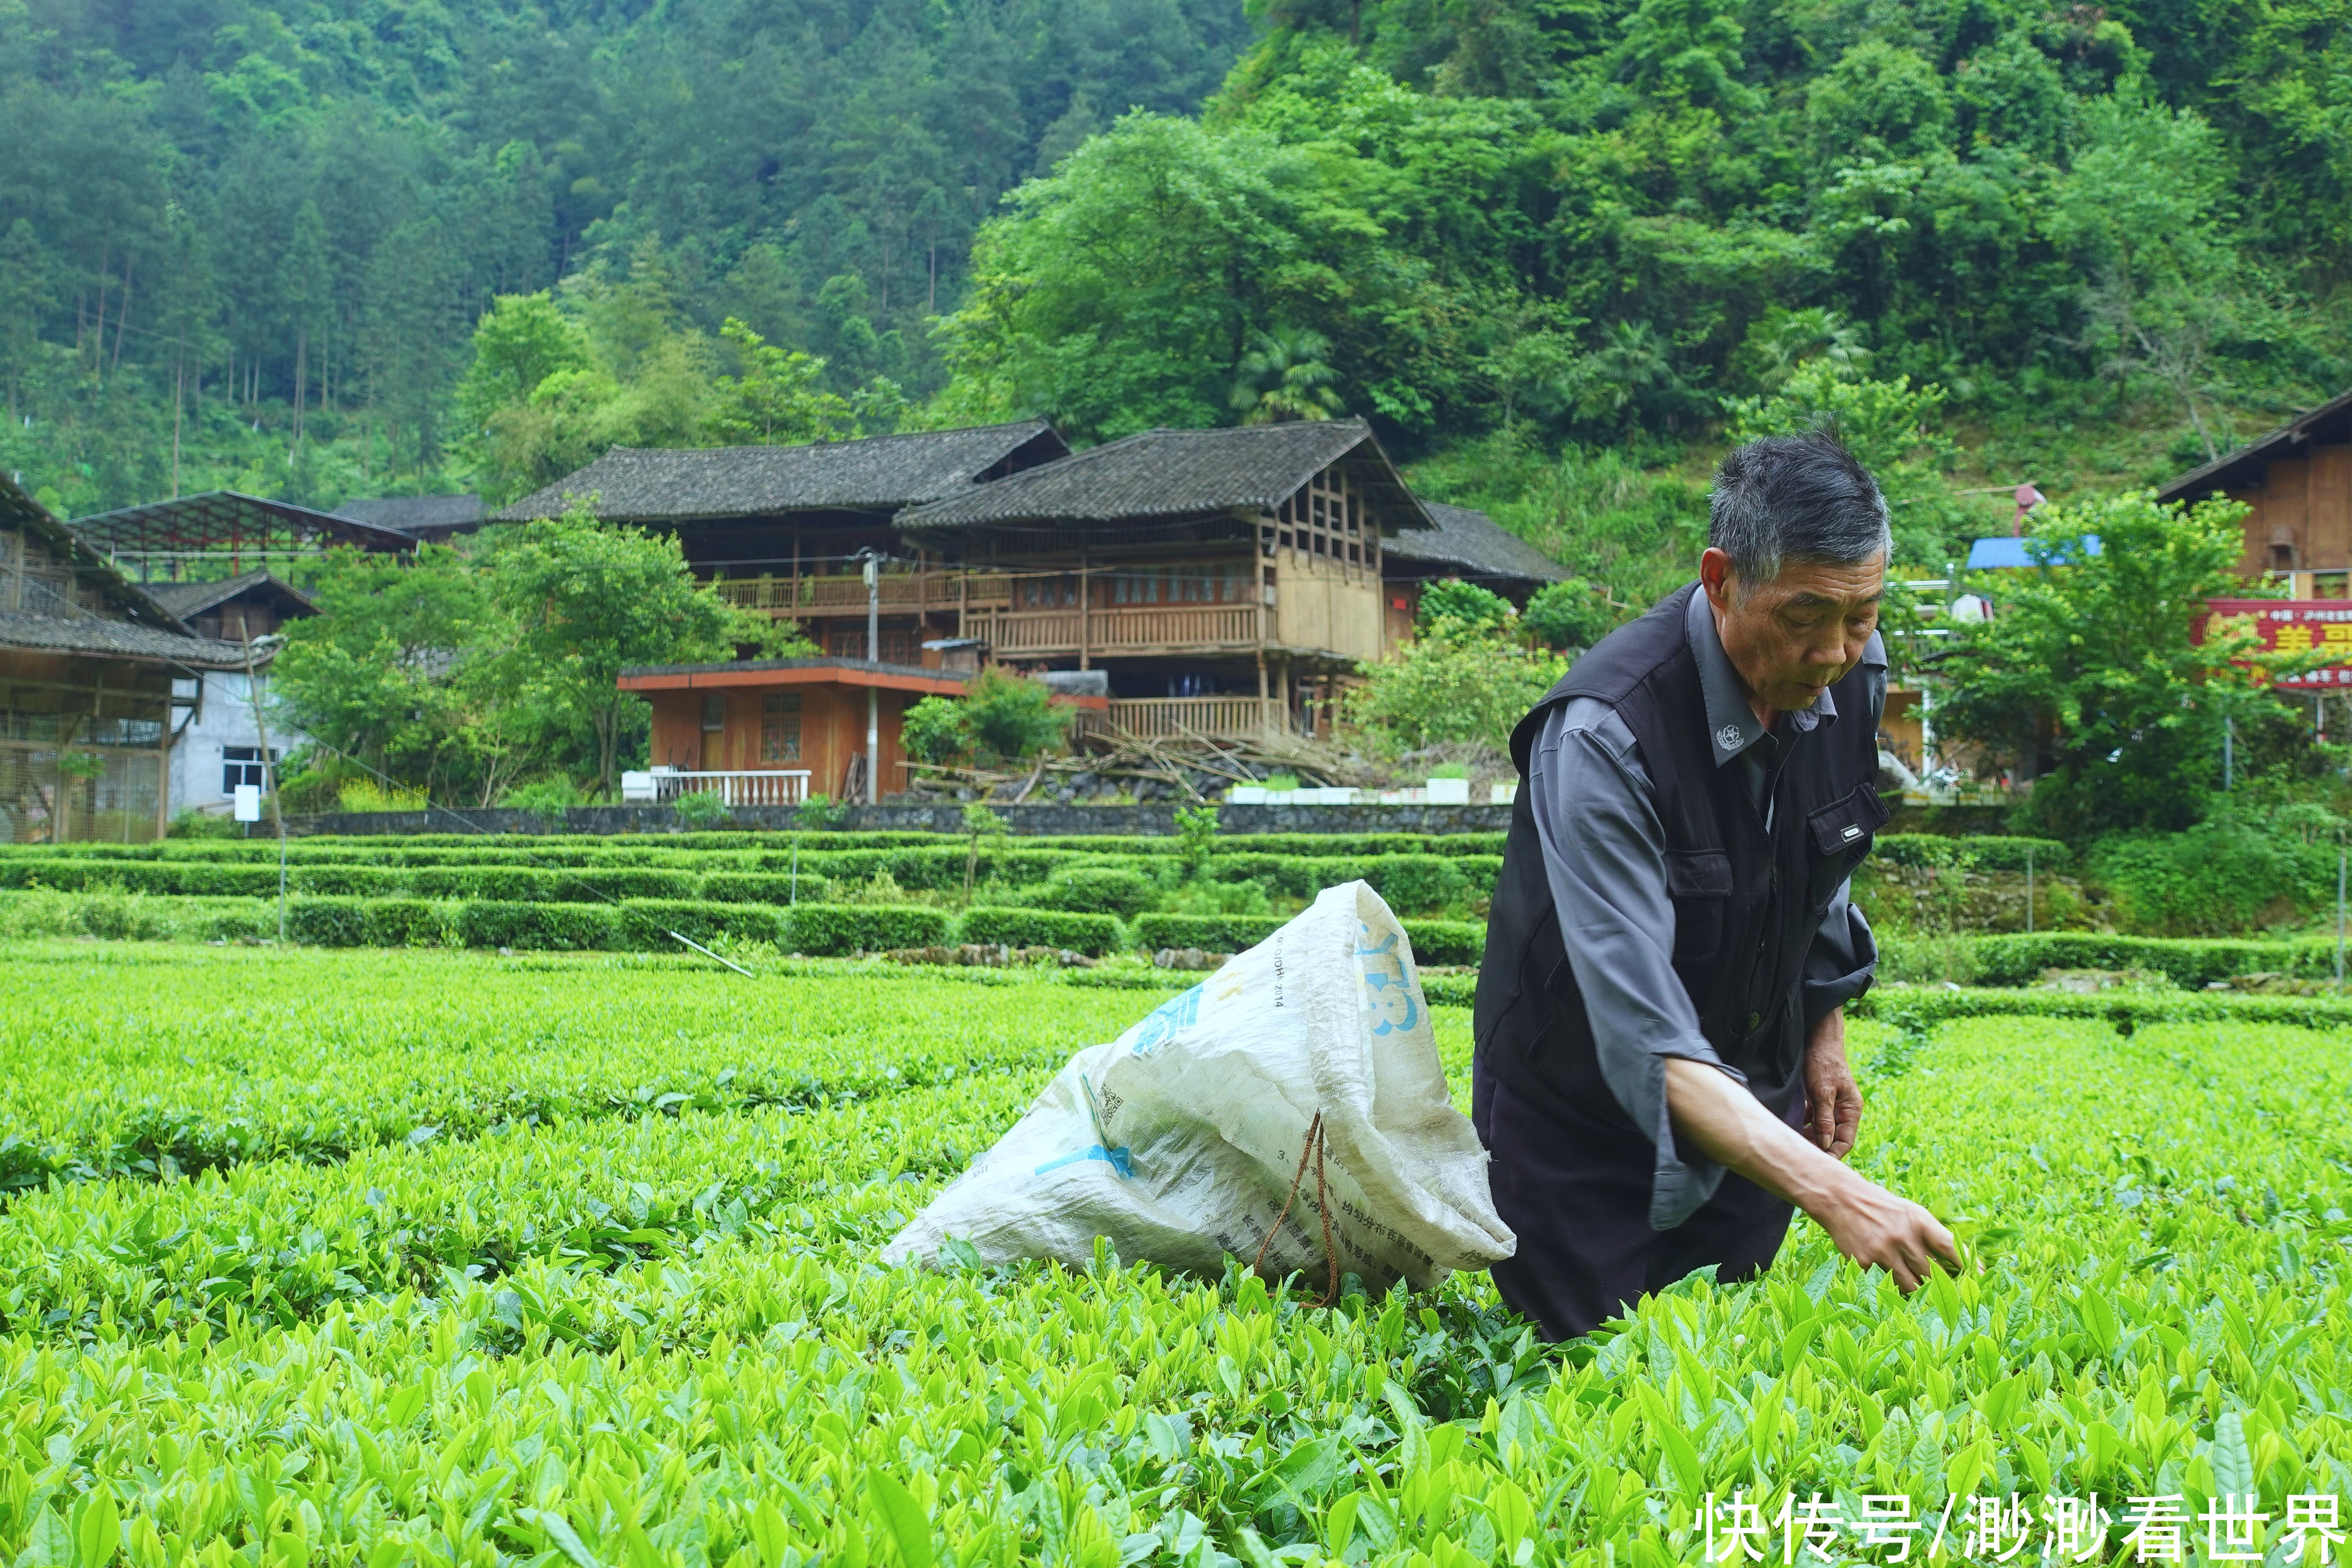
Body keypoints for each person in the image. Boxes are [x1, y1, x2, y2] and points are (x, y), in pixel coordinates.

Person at [1471, 429, 1958, 1341]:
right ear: (1720, 579)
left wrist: (1823, 1025)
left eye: (1862, 616)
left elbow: (1819, 871)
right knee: (1584, 1384)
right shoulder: (1601, 736)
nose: (1835, 654)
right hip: (1577, 1119)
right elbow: (1643, 1041)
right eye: (1804, 617)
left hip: (1751, 1098)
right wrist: (1836, 1193)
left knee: (1715, 1376)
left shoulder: (1856, 671)